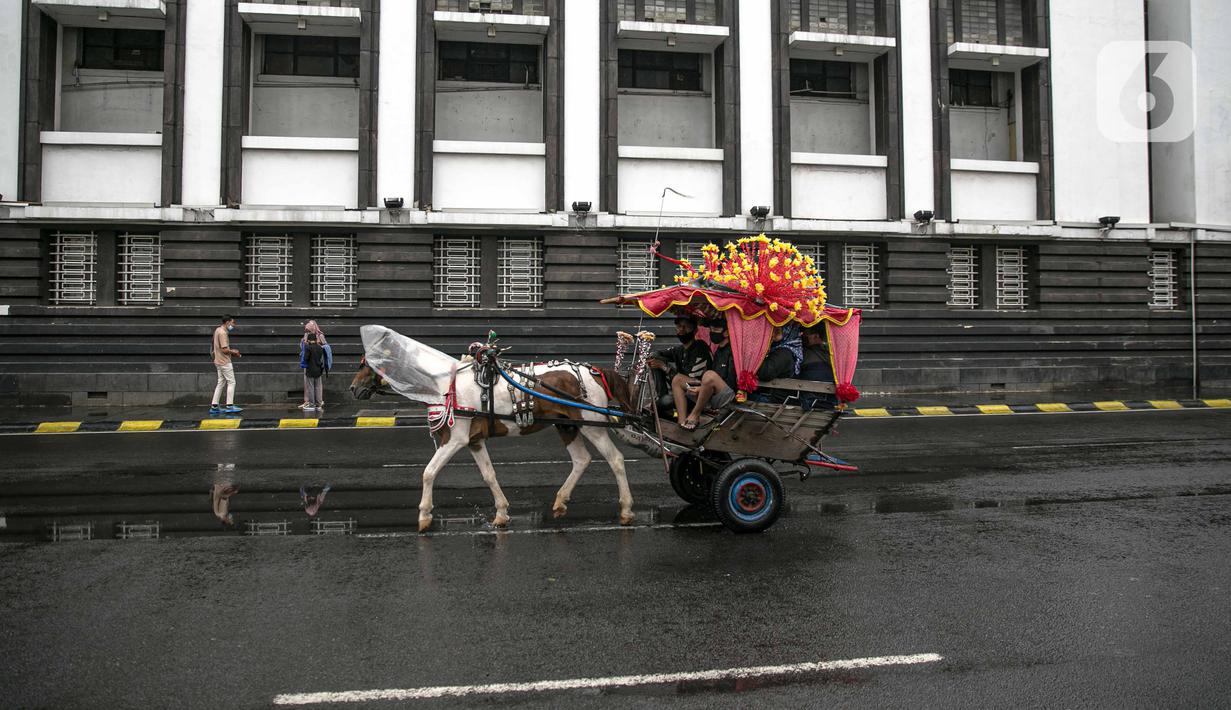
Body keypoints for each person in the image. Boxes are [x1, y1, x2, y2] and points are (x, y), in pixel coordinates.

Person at [671, 318, 738, 430]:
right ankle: (682, 422)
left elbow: (731, 381)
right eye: (711, 329)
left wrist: (702, 388)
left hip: (727, 394)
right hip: (710, 390)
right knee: (678, 379)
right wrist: (701, 387)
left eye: (716, 329)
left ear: (726, 332)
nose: (712, 332)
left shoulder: (732, 351)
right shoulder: (718, 350)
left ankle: (695, 415)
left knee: (709, 375)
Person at [646, 313, 712, 414]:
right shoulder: (680, 349)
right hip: (680, 393)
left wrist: (664, 367)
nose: (681, 329)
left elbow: (690, 384)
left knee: (663, 402)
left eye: (686, 327)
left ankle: (664, 403)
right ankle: (661, 395)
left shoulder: (700, 348)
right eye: (679, 326)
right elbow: (656, 354)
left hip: (696, 395)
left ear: (695, 330)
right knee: (654, 357)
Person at [750, 324, 804, 403]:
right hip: (771, 395)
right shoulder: (779, 349)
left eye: (777, 331)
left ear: (788, 332)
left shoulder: (784, 353)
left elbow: (765, 373)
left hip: (773, 398)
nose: (772, 333)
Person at [799, 324, 838, 410]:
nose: (802, 336)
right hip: (830, 401)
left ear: (816, 336)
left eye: (806, 334)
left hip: (809, 401)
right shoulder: (832, 353)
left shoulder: (803, 352)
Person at [209, 314, 243, 414]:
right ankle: (230, 406)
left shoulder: (217, 330)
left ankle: (214, 406)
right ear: (227, 322)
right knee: (231, 382)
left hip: (217, 361)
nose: (233, 325)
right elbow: (224, 349)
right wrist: (234, 352)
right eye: (233, 323)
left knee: (220, 383)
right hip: (224, 362)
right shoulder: (223, 333)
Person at [299, 320, 329, 409]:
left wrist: (311, 346)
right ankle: (308, 401)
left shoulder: (320, 335)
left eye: (309, 330)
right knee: (309, 384)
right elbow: (302, 347)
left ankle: (313, 402)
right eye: (306, 330)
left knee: (313, 385)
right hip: (314, 364)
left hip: (312, 363)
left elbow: (325, 347)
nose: (307, 331)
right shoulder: (306, 336)